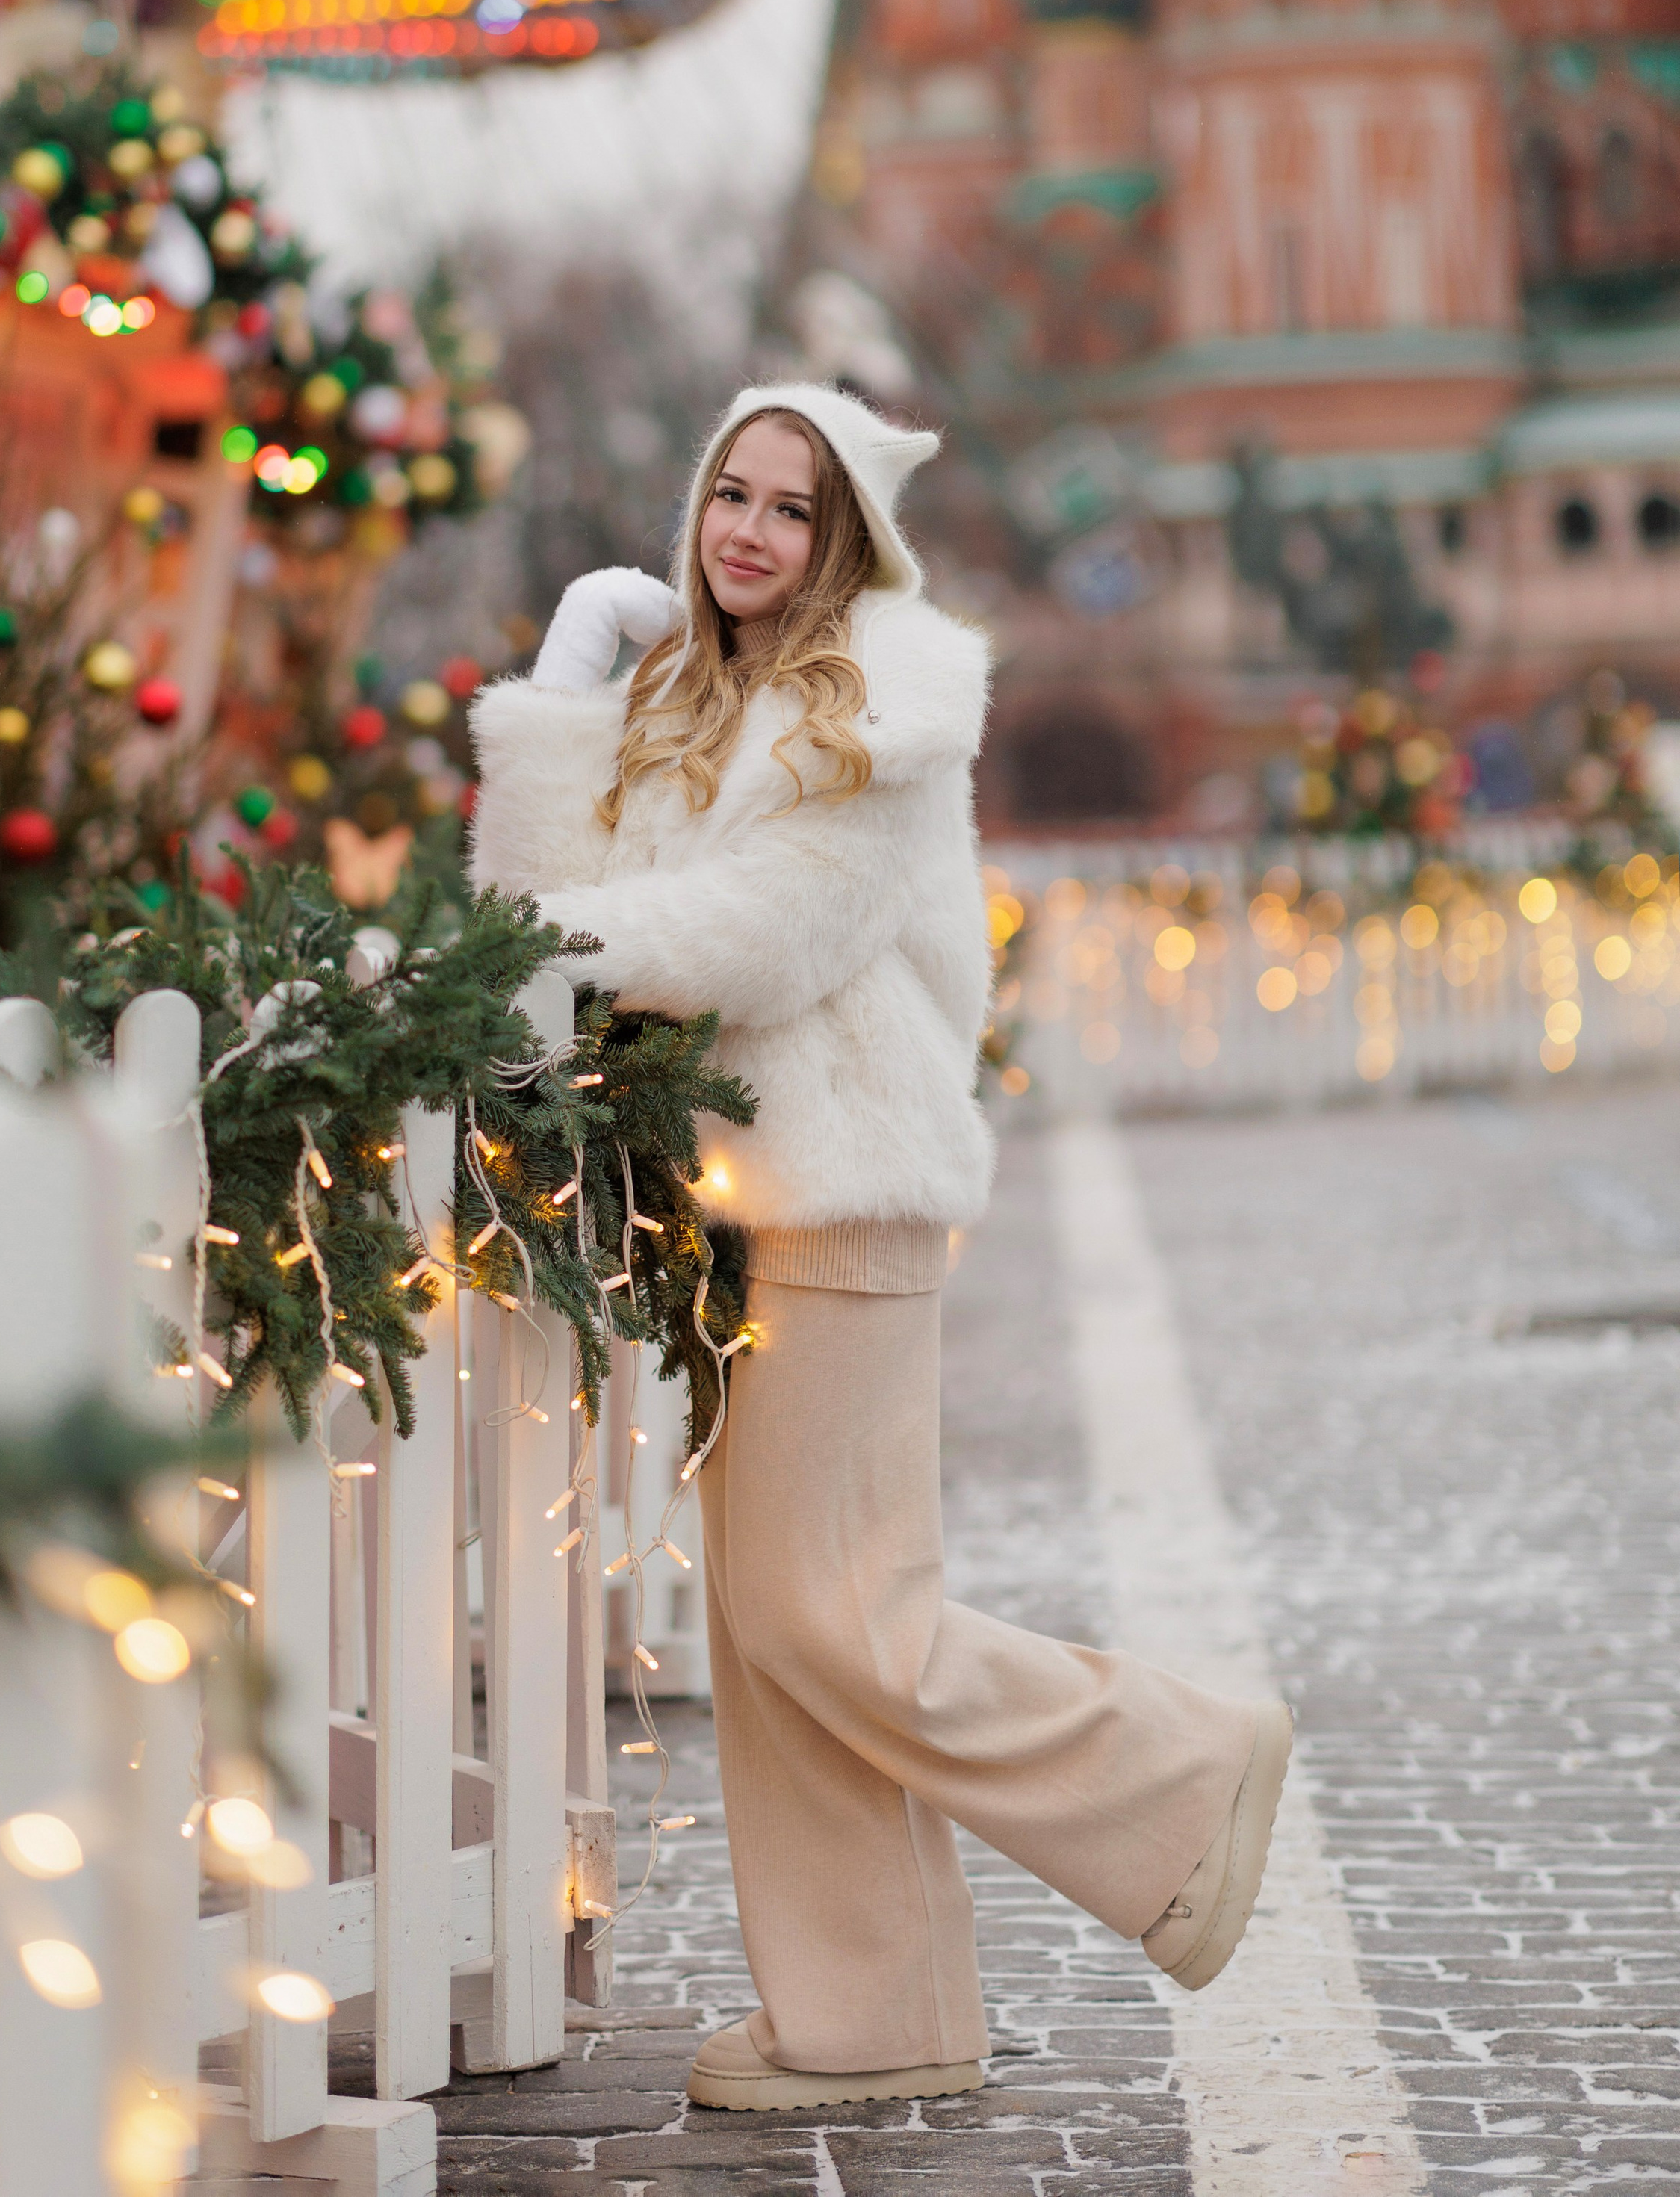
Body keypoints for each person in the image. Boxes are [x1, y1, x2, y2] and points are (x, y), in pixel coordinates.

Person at [468, 383, 1291, 2112]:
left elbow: (762, 935)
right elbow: (529, 911)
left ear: (848, 539)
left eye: (790, 507)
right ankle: (870, 2013)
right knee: (782, 1645)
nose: (749, 531)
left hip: (844, 1188)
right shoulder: (702, 697)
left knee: (833, 1609)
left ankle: (1181, 1767)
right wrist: (556, 702)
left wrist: (557, 940)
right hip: (727, 1208)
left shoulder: (878, 714)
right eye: (730, 496)